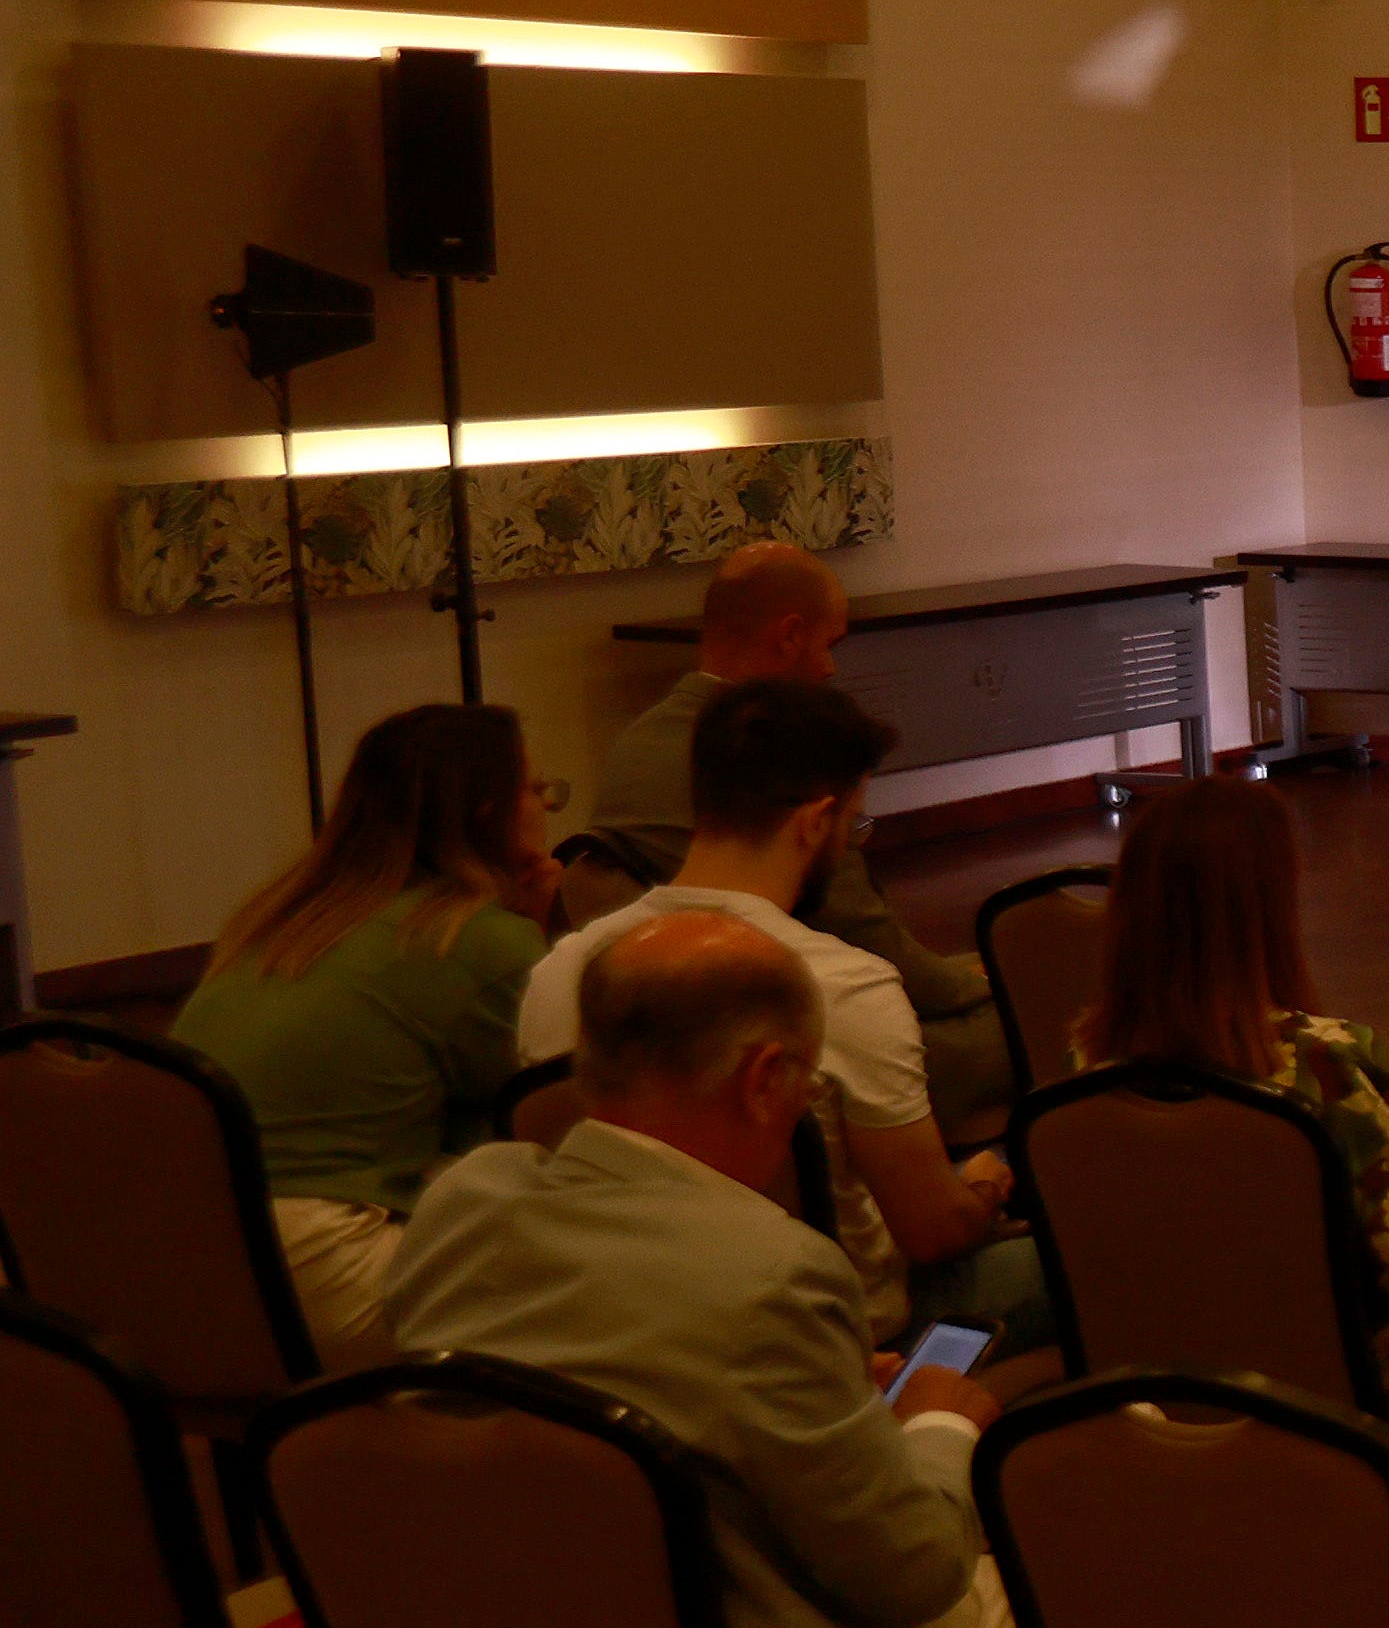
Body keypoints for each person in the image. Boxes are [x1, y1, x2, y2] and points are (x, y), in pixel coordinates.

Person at [381, 914, 1026, 1628]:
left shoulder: (463, 1206)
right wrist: (944, 1425)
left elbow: (622, 1375)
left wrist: (824, 1390)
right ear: (768, 1076)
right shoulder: (774, 1272)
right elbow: (905, 1569)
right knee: (1082, 1584)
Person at [523, 678, 1036, 1349]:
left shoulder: (560, 971)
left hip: (624, 1319)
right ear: (815, 822)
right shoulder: (843, 989)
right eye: (855, 826)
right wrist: (984, 1188)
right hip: (830, 1330)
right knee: (1083, 1257)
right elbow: (932, 1233)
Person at [1074, 779, 1389, 1412]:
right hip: (1343, 1379)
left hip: (1176, 1351)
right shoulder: (1325, 1063)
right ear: (1265, 909)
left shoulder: (1089, 1066)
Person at [173, 702, 554, 1360]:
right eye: (536, 788)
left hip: (182, 1262)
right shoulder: (473, 939)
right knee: (607, 1270)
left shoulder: (281, 917)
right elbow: (545, 1111)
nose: (546, 805)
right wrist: (537, 932)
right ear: (491, 812)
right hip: (316, 1268)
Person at [589, 542, 1013, 1129]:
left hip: (671, 1020)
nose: (832, 668)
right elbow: (870, 942)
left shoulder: (634, 743)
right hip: (789, 1026)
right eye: (829, 644)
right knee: (1049, 1006)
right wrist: (990, 990)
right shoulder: (779, 761)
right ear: (789, 636)